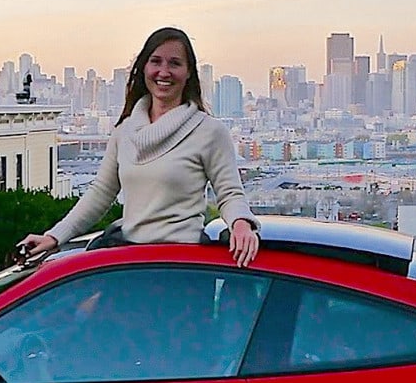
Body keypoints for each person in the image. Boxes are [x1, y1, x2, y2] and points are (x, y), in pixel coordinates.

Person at [17, 26, 260, 266]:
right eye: (156, 61)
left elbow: (229, 192)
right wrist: (54, 236)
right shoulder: (125, 131)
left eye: (175, 63)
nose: (164, 72)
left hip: (182, 263)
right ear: (144, 67)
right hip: (132, 262)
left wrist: (240, 224)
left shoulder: (208, 131)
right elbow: (100, 193)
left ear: (189, 73)